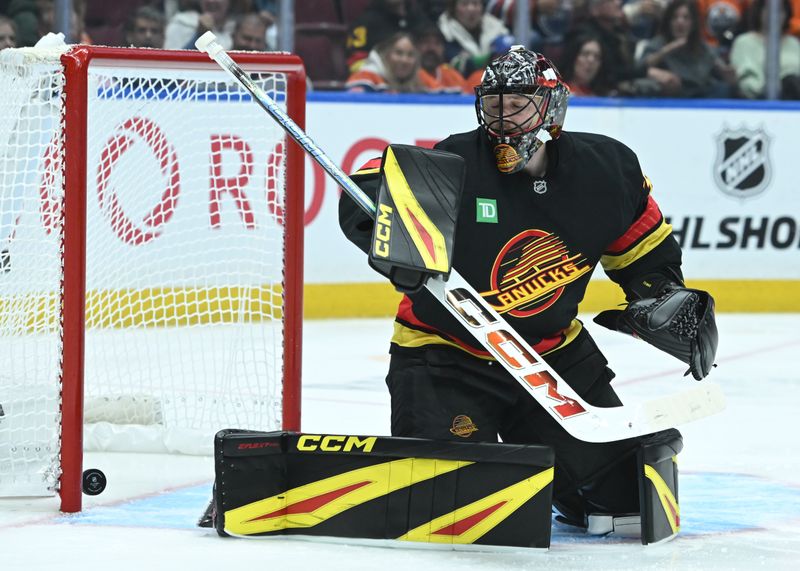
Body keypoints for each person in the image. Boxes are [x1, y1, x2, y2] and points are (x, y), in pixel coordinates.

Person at [339, 46, 718, 535]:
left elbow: (643, 251)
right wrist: (392, 232)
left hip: (549, 359)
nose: (502, 119)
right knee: (457, 507)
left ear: (552, 107)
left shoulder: (605, 170)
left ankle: (561, 480)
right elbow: (370, 182)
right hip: (446, 355)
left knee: (627, 499)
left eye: (517, 104)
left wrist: (659, 295)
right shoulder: (455, 161)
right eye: (492, 105)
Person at [637, 0, 736, 98]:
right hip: (669, 96)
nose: (680, 22)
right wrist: (667, 50)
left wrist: (727, 74)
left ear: (693, 24)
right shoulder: (658, 43)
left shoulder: (703, 48)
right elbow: (639, 69)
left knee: (723, 89)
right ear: (668, 22)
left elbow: (722, 74)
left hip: (699, 97)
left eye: (686, 18)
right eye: (675, 17)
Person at [729, 0, 800, 99]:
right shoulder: (744, 42)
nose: (773, 14)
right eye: (767, 9)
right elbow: (745, 75)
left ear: (787, 14)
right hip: (753, 102)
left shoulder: (794, 44)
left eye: (780, 11)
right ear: (758, 11)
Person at [346, 31, 444, 93]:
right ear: (386, 55)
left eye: (410, 55)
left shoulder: (420, 77)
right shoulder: (366, 76)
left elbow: (444, 95)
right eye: (398, 53)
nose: (404, 60)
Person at [346, 0, 430, 71]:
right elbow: (355, 62)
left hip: (419, 83)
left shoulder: (420, 19)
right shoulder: (365, 23)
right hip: (379, 83)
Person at [438, 0, 511, 77]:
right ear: (454, 8)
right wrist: (491, 56)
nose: (471, 9)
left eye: (475, 4)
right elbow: (457, 64)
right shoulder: (444, 31)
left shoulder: (497, 27)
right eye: (464, 4)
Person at [415, 23, 467, 93]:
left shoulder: (452, 76)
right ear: (416, 47)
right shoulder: (408, 76)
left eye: (437, 43)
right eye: (426, 42)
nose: (431, 48)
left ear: (443, 49)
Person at [165, 0, 237, 50]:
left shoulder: (239, 28)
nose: (211, 1)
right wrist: (199, 36)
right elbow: (172, 63)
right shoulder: (181, 22)